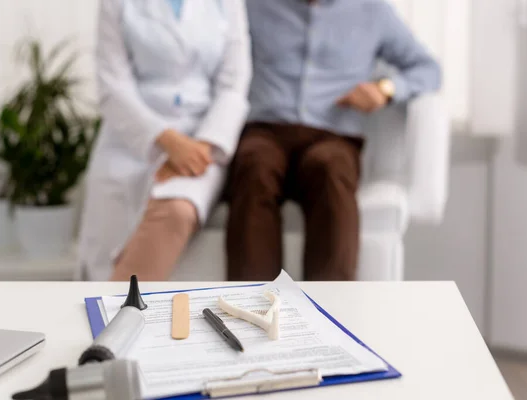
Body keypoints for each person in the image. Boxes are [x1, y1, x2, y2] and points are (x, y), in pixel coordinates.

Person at [226, 0, 441, 281]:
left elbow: (428, 69)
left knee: (331, 168)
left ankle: (328, 311)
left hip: (333, 136)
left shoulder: (372, 11)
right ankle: (251, 308)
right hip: (265, 130)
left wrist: (385, 89)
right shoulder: (253, 6)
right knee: (254, 164)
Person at [78, 0, 251, 281]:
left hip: (203, 138)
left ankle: (115, 315)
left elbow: (234, 84)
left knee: (176, 210)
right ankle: (102, 313)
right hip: (131, 136)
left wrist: (199, 148)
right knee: (105, 254)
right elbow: (113, 85)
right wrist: (168, 142)